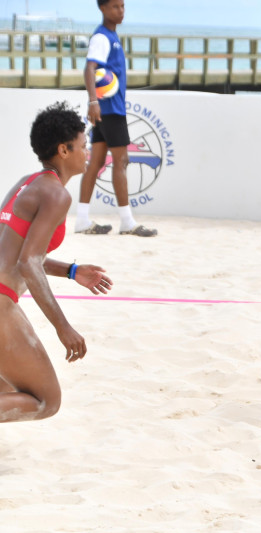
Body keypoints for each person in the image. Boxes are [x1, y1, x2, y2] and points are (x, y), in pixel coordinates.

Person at [0, 101, 113, 423]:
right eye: (82, 145)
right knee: (45, 402)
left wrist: (72, 271)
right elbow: (28, 264)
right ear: (63, 150)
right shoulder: (56, 195)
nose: (87, 152)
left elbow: (15, 252)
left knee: (7, 387)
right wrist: (64, 328)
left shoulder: (26, 182)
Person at [74, 0, 157, 237]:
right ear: (102, 8)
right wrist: (93, 102)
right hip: (109, 109)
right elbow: (90, 69)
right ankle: (127, 222)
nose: (120, 11)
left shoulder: (112, 36)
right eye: (115, 7)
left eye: (122, 6)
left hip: (108, 108)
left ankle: (81, 220)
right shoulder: (102, 37)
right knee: (121, 161)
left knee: (97, 163)